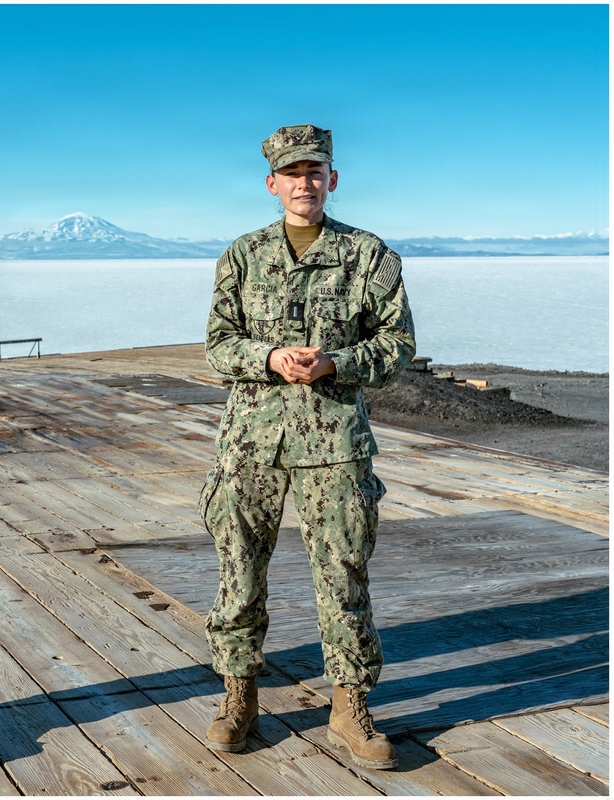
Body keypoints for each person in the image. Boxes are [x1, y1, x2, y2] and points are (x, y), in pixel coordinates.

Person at [199, 124, 415, 770]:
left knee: (343, 575)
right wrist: (268, 356)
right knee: (239, 573)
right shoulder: (242, 256)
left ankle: (349, 704)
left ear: (332, 179)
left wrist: (337, 363)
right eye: (291, 174)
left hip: (335, 442)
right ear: (272, 184)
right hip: (252, 439)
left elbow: (397, 345)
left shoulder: (370, 256)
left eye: (314, 172)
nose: (304, 183)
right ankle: (240, 694)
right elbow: (217, 345)